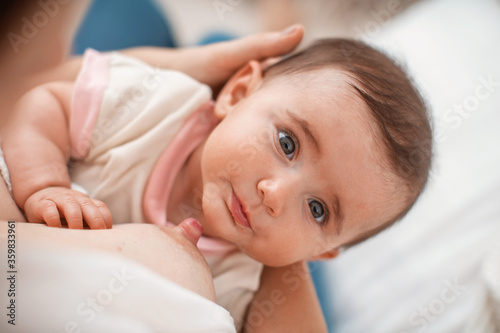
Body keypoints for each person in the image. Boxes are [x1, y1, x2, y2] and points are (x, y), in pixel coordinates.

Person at [1, 35, 432, 331]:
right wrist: (44, 184)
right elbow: (45, 103)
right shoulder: (154, 103)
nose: (276, 194)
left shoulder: (241, 290)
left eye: (317, 209)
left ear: (321, 252)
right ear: (237, 91)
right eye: (287, 143)